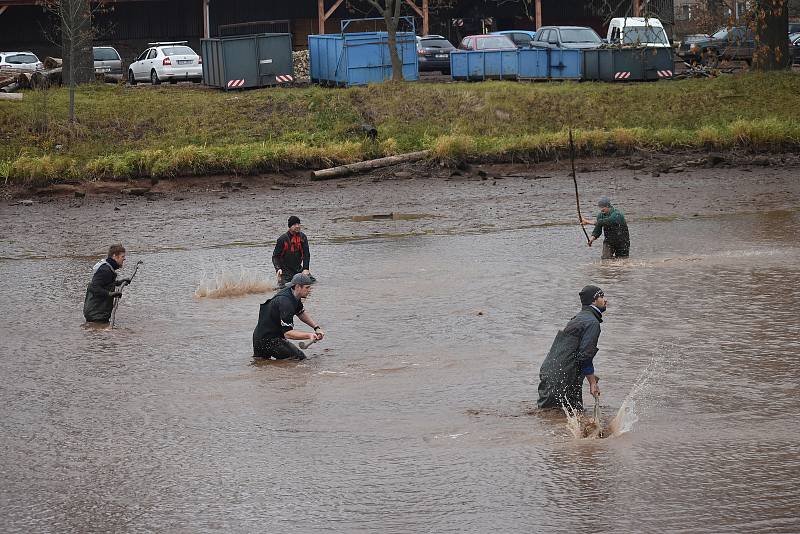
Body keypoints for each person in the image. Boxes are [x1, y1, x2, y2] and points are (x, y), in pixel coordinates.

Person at [537, 285, 608, 411]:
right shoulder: (592, 323)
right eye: (601, 296)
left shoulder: (578, 318)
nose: (605, 300)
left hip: (551, 374)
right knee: (569, 417)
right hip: (563, 378)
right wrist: (592, 382)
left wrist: (590, 376)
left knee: (550, 417)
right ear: (593, 300)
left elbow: (576, 355)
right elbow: (585, 356)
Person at [252, 273, 325, 360]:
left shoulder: (293, 294)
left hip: (259, 336)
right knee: (299, 358)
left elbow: (301, 313)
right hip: (270, 340)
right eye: (307, 287)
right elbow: (288, 334)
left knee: (263, 365)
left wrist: (316, 327)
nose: (310, 290)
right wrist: (308, 335)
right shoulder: (286, 302)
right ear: (298, 286)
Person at [83, 244, 130, 323]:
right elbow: (93, 287)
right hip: (96, 314)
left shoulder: (109, 268)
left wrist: (120, 282)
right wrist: (110, 294)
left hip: (99, 313)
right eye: (122, 256)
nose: (124, 259)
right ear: (114, 256)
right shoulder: (105, 270)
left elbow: (106, 283)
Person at [272, 216, 311, 288]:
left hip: (298, 269)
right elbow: (275, 257)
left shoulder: (303, 237)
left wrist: (306, 268)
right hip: (285, 272)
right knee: (285, 288)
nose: (297, 226)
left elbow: (306, 254)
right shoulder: (282, 239)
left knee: (311, 282)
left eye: (298, 224)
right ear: (290, 226)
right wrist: (278, 269)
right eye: (294, 224)